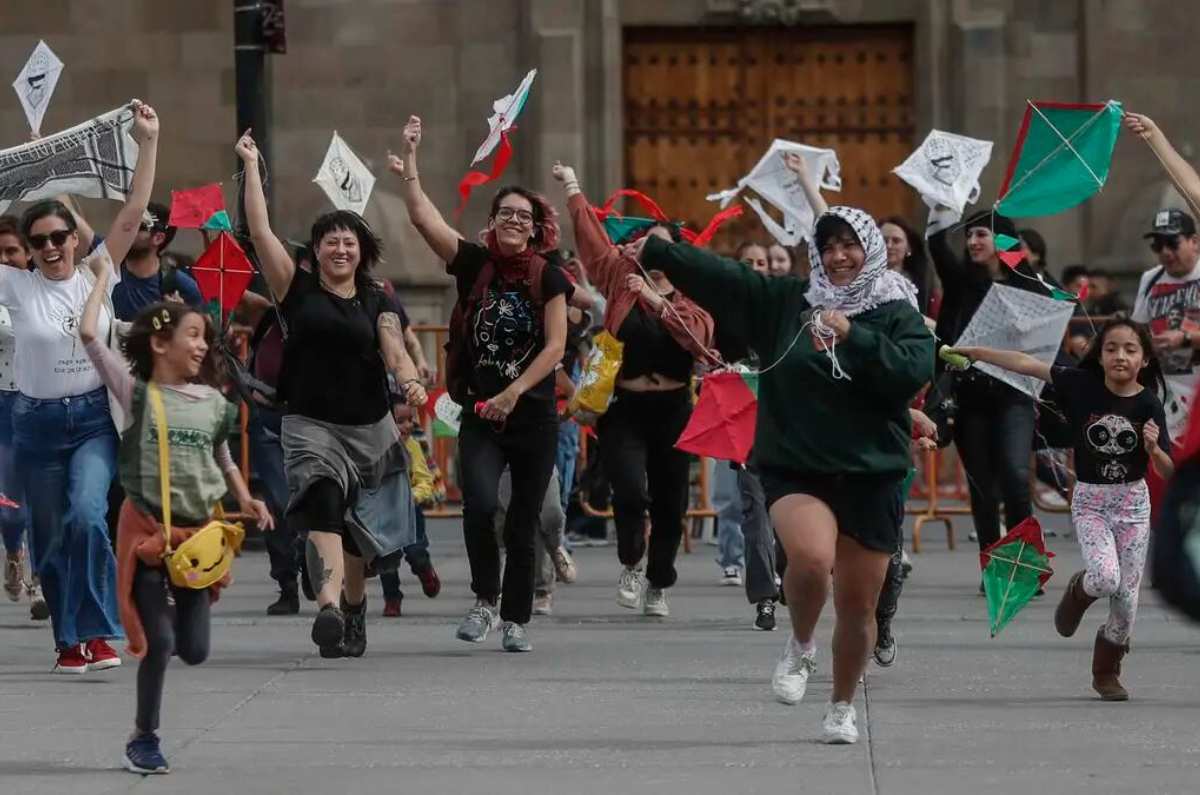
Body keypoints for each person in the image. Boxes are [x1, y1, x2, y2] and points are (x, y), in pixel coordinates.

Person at [635, 204, 932, 744]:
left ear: (871, 248)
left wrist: (853, 335)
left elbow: (911, 370)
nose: (839, 257)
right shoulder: (787, 303)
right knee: (813, 559)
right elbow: (729, 279)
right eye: (828, 247)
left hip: (873, 472)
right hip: (797, 463)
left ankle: (842, 705)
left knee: (858, 605)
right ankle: (800, 645)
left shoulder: (896, 311)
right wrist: (661, 251)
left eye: (850, 245)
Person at [75, 263, 271, 774]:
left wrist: (246, 498)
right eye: (193, 335)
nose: (203, 345)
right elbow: (91, 334)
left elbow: (223, 455)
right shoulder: (136, 394)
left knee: (195, 649)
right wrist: (100, 276)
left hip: (199, 537)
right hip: (147, 533)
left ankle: (173, 626)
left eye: (205, 337)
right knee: (159, 642)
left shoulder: (211, 402)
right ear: (160, 344)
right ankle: (145, 737)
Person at [238, 129, 426, 658]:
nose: (340, 248)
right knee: (322, 505)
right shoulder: (292, 288)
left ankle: (354, 605)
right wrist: (252, 166)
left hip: (370, 429)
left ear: (362, 251)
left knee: (358, 534)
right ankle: (326, 609)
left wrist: (409, 380)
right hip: (310, 425)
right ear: (316, 251)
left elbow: (394, 348)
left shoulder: (376, 298)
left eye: (350, 242)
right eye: (331, 241)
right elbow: (259, 228)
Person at [395, 116, 569, 652]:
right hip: (478, 411)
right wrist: (412, 165)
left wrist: (515, 392)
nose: (514, 221)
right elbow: (425, 222)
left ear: (536, 227)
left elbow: (556, 346)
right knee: (477, 504)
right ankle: (484, 602)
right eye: (505, 214)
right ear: (491, 222)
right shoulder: (475, 264)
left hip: (533, 414)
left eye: (524, 216)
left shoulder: (549, 273)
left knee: (523, 518)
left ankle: (517, 618)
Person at [1, 100, 160, 673]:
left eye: (59, 236)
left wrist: (148, 141)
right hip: (35, 424)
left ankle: (96, 631)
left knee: (89, 515)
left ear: (74, 238)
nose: (49, 247)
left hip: (92, 419)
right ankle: (67, 640)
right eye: (38, 239)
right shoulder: (16, 286)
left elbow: (135, 207)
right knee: (49, 536)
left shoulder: (100, 272)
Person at [951, 318, 1173, 700]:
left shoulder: (1150, 403)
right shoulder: (1081, 384)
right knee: (1105, 579)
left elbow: (1168, 470)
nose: (1120, 355)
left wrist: (1153, 450)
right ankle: (1079, 591)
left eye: (1130, 349)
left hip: (1133, 505)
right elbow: (1025, 363)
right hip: (1092, 503)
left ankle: (1106, 671)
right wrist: (978, 354)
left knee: (1126, 602)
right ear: (1100, 356)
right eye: (1111, 348)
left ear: (1146, 360)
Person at [554, 161, 718, 618]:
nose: (650, 251)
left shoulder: (691, 295)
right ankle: (631, 561)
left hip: (673, 407)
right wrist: (572, 187)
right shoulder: (621, 280)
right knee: (628, 489)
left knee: (671, 502)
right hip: (624, 405)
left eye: (662, 245)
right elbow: (591, 243)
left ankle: (659, 582)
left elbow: (698, 340)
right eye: (646, 244)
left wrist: (657, 303)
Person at [928, 209, 1049, 558]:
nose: (972, 242)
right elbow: (937, 246)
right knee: (983, 489)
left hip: (1014, 396)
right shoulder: (962, 282)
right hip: (969, 398)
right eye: (969, 236)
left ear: (1003, 241)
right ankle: (993, 566)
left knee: (1014, 476)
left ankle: (1025, 560)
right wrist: (941, 203)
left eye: (981, 234)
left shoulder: (1029, 286)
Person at [1125, 113, 1200, 444]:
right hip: (1169, 397)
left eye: (1173, 242)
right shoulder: (1152, 279)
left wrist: (1186, 339)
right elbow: (1193, 191)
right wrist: (1155, 136)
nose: (1165, 252)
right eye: (1159, 245)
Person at [0, 215, 47, 618]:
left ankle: (41, 580)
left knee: (45, 495)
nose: (5, 259)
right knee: (11, 504)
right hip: (3, 408)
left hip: (41, 402)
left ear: (28, 254)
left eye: (12, 251)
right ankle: (14, 549)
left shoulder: (43, 291)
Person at [379, 399, 441, 617]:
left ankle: (425, 570)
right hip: (384, 513)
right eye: (400, 421)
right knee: (387, 559)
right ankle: (392, 598)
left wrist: (414, 495)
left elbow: (425, 480)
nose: (407, 426)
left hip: (409, 510)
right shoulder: (376, 449)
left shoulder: (413, 447)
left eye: (410, 421)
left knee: (416, 552)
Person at [110, 202, 203, 321]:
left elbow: (205, 330)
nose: (128, 230)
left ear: (158, 238)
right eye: (128, 223)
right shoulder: (109, 265)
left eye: (138, 227)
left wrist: (180, 317)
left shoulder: (180, 285)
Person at [879, 216, 934, 314]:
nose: (889, 246)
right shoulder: (861, 279)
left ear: (909, 248)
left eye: (896, 241)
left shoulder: (923, 284)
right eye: (884, 240)